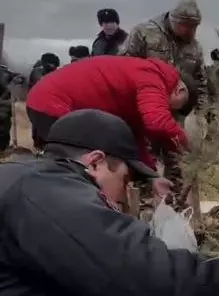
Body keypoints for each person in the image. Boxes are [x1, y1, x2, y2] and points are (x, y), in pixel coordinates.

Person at [0, 109, 219, 296]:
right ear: (96, 162)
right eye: (125, 179)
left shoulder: (29, 179)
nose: (123, 194)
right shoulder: (46, 193)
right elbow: (145, 279)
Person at [25, 55, 190, 193]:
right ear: (180, 90)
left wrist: (152, 177)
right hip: (52, 104)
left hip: (46, 102)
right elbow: (157, 122)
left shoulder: (138, 91)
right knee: (76, 171)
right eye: (176, 108)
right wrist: (189, 148)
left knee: (75, 170)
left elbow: (133, 141)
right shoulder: (151, 76)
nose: (170, 112)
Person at [119, 0, 208, 120]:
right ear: (175, 21)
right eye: (187, 26)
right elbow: (123, 68)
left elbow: (201, 83)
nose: (191, 31)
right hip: (143, 109)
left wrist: (201, 114)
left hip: (177, 114)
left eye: (194, 26)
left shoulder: (195, 47)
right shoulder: (143, 33)